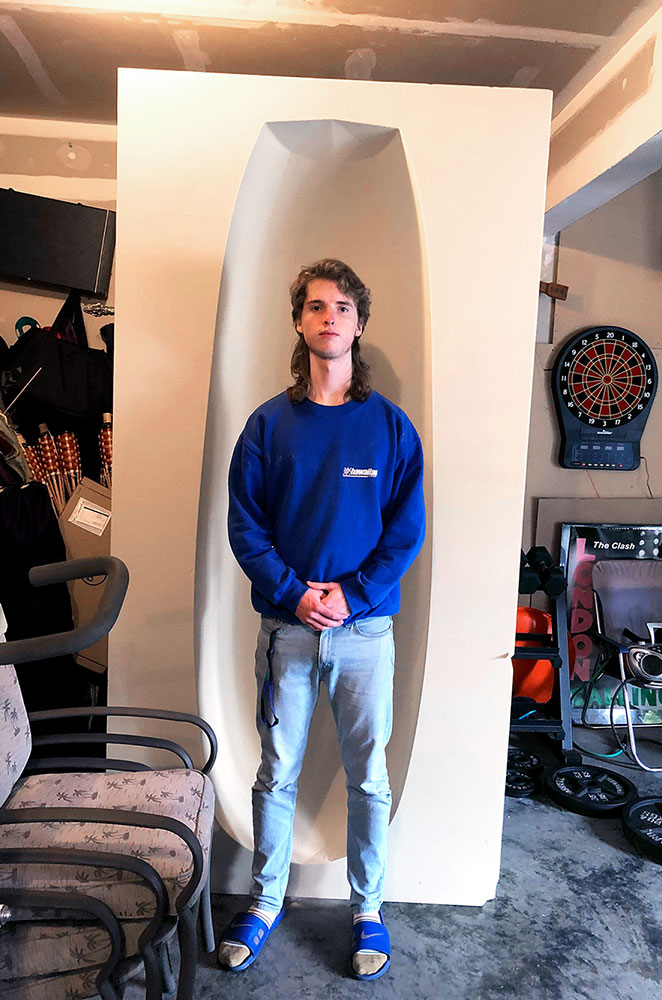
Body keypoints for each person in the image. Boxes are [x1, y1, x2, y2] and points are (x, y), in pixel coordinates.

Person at [220, 258, 425, 981]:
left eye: (342, 306)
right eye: (315, 306)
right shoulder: (267, 426)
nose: (328, 316)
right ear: (299, 322)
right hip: (286, 634)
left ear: (358, 324)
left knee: (370, 778)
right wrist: (294, 592)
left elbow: (404, 533)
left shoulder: (390, 429)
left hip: (365, 636)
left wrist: (353, 595)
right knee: (276, 775)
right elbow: (245, 528)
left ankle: (367, 910)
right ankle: (264, 899)